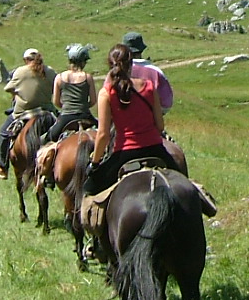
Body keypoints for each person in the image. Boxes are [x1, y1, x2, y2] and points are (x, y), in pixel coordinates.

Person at [82, 43, 174, 197]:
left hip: (125, 154)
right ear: (132, 63)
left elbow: (104, 134)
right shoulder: (149, 86)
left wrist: (95, 163)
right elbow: (160, 125)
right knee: (185, 183)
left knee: (89, 190)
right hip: (155, 149)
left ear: (110, 65)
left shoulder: (107, 93)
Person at [0, 48, 58, 177]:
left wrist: (17, 93)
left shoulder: (21, 71)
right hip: (47, 111)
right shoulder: (49, 71)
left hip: (23, 112)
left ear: (26, 60)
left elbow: (8, 88)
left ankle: (3, 167)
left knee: (4, 133)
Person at [46, 43, 96, 142]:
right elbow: (93, 101)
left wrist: (66, 107)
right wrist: (83, 105)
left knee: (49, 138)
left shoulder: (59, 77)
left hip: (66, 117)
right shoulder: (88, 77)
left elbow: (56, 101)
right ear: (84, 62)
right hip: (85, 115)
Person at [120, 31, 173, 114]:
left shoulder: (118, 70)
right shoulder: (156, 72)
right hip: (149, 120)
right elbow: (167, 103)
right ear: (141, 49)